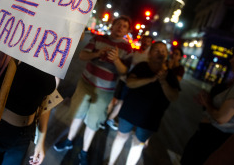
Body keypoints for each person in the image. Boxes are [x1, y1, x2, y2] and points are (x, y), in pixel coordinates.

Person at [53, 15, 133, 165]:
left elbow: (124, 72)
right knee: (77, 114)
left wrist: (116, 59)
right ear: (113, 25)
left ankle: (84, 151)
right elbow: (82, 55)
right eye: (118, 24)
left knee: (93, 122)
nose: (120, 28)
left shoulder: (127, 48)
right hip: (85, 84)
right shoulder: (98, 39)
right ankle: (69, 140)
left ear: (127, 31)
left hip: (105, 91)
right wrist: (97, 54)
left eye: (124, 26)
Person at [108, 41, 180, 165]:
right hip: (130, 111)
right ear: (150, 54)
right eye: (157, 50)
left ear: (167, 55)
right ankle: (110, 163)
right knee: (121, 136)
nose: (160, 53)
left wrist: (163, 82)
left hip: (151, 118)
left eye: (163, 51)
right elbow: (130, 82)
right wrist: (151, 79)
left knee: (137, 145)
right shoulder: (142, 66)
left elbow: (174, 97)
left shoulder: (170, 75)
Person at [180, 53, 234, 165]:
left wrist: (207, 103)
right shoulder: (231, 83)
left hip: (213, 139)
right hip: (207, 136)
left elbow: (221, 117)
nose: (231, 60)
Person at [105, 35, 153, 130]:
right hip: (123, 80)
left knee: (120, 103)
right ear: (141, 41)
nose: (145, 43)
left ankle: (109, 119)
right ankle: (104, 119)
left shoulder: (149, 58)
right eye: (144, 40)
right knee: (114, 100)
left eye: (148, 41)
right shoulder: (134, 52)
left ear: (151, 43)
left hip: (132, 84)